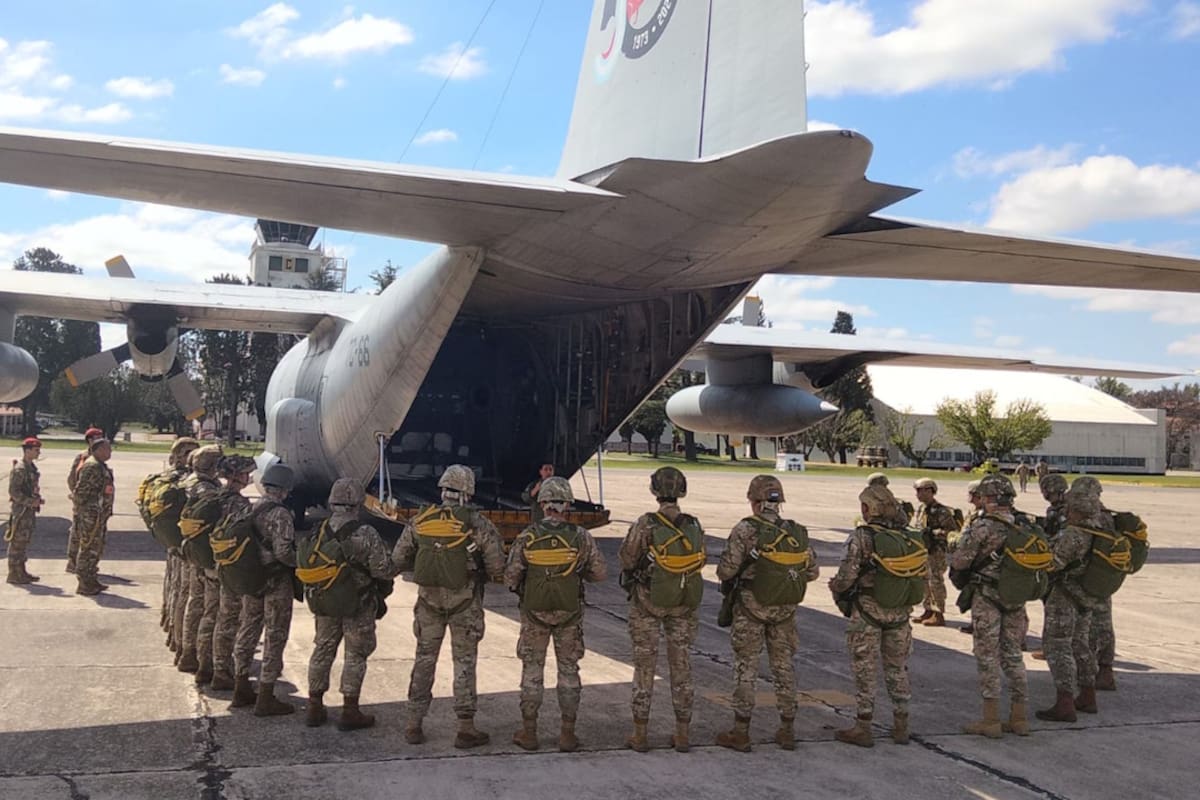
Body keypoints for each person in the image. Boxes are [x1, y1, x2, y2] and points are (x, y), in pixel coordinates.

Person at [392, 465, 505, 748]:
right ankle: (465, 728)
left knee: (424, 660)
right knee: (464, 663)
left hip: (428, 603)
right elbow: (497, 568)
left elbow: (399, 558)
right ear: (467, 492)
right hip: (464, 603)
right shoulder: (478, 524)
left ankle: (413, 724)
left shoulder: (421, 520)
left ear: (443, 489)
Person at [715, 474, 818, 752]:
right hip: (784, 611)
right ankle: (787, 729)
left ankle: (741, 731)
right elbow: (812, 572)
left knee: (746, 669)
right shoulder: (797, 532)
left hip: (751, 608)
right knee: (784, 669)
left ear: (754, 501)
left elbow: (725, 570)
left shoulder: (746, 530)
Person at [505, 476, 607, 753]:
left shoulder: (528, 536)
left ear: (543, 504)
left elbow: (511, 577)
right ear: (568, 506)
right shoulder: (581, 537)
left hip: (534, 613)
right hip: (569, 614)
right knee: (569, 671)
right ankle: (567, 733)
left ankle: (529, 732)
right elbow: (599, 573)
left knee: (532, 670)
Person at [618, 466, 705, 753]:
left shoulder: (646, 524)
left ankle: (640, 734)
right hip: (682, 605)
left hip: (648, 604)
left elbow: (628, 560)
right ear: (682, 491)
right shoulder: (693, 525)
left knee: (644, 669)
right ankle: (682, 734)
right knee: (682, 668)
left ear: (655, 491)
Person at [302, 478, 400, 730]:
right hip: (358, 602)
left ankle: (314, 706)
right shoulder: (365, 533)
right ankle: (350, 710)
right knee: (355, 654)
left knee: (322, 649)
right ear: (357, 503)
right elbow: (382, 570)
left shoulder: (319, 530)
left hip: (324, 600)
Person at [829, 483, 921, 747]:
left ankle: (863, 726)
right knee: (898, 668)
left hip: (868, 611)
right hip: (901, 614)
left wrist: (835, 587)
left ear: (868, 508)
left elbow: (846, 577)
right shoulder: (909, 537)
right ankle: (901, 724)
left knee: (865, 669)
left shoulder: (862, 536)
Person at [948, 475, 1031, 738]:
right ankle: (1019, 718)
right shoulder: (1025, 525)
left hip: (987, 596)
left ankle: (991, 719)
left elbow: (961, 561)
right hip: (1016, 598)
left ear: (988, 499)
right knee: (1013, 655)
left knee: (987, 656)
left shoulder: (982, 527)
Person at [1037, 477, 1109, 723]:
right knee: (1081, 645)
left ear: (1074, 508)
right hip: (1086, 597)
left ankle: (1065, 700)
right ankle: (1088, 695)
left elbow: (1053, 564)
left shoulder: (1074, 534)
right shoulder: (1100, 528)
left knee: (1057, 645)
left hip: (1065, 596)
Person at [233, 463, 299, 716]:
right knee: (275, 636)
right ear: (284, 489)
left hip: (253, 579)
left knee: (248, 629)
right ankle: (266, 696)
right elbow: (284, 553)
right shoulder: (281, 514)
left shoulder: (252, 506)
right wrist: (301, 561)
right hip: (275, 582)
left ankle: (241, 686)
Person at [208, 455, 257, 692]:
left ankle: (216, 667)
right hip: (233, 569)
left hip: (216, 564)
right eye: (246, 473)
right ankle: (223, 671)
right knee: (231, 620)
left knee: (221, 617)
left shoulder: (215, 497)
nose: (249, 477)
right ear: (237, 476)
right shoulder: (238, 504)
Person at [177, 445, 223, 675]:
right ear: (213, 466)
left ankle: (187, 651)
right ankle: (204, 661)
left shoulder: (189, 481)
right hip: (205, 557)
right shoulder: (206, 490)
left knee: (194, 602)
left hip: (192, 551)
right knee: (209, 609)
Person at [1030, 473, 1069, 660]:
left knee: (1053, 611)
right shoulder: (1073, 508)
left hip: (1058, 567)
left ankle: (1050, 648)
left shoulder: (1058, 511)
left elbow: (1057, 537)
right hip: (1073, 567)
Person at [910, 478, 958, 627]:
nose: (918, 494)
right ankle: (928, 610)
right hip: (922, 550)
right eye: (917, 491)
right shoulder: (920, 509)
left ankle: (938, 613)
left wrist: (933, 533)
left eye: (921, 490)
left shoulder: (941, 511)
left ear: (930, 491)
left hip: (936, 551)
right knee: (924, 581)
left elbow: (952, 531)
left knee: (935, 581)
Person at [73, 437, 115, 596]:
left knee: (96, 548)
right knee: (88, 547)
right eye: (107, 449)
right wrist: (86, 511)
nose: (110, 452)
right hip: (91, 515)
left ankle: (91, 578)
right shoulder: (92, 467)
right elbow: (80, 492)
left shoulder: (100, 466)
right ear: (98, 450)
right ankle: (84, 582)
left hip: (98, 514)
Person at [66, 427, 105, 573]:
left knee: (92, 533)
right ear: (89, 440)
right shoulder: (83, 458)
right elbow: (72, 478)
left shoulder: (99, 457)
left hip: (94, 503)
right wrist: (76, 496)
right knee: (78, 532)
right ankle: (74, 562)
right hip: (84, 502)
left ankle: (87, 563)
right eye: (97, 438)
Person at [6, 437, 44, 585]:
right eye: (36, 450)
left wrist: (36, 499)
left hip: (28, 511)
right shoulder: (20, 469)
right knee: (17, 543)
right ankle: (14, 574)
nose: (38, 453)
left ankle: (20, 571)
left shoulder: (31, 468)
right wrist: (30, 502)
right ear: (27, 451)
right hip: (21, 512)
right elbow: (13, 492)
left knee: (23, 542)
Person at [956, 480, 985, 636]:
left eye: (973, 495)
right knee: (974, 595)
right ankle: (975, 623)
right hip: (971, 560)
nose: (971, 498)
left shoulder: (986, 517)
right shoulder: (974, 513)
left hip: (981, 562)